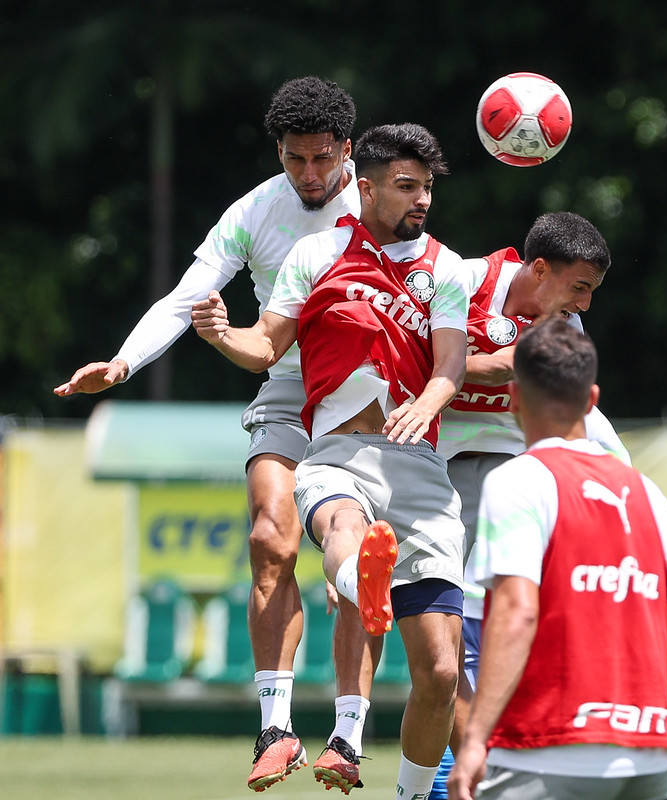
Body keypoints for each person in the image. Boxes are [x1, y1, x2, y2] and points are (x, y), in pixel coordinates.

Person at [53, 76, 376, 792]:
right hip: (290, 386)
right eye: (294, 160)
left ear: (348, 150)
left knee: (361, 567)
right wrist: (124, 362)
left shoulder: (384, 203)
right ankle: (275, 729)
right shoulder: (255, 211)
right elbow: (185, 296)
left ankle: (349, 737)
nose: (309, 175)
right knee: (269, 535)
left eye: (322, 159)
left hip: (374, 396)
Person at [191, 122, 473, 798]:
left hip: (420, 469)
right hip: (338, 454)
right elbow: (264, 347)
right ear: (367, 188)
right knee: (344, 526)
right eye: (407, 186)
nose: (421, 199)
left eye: (427, 186)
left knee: (437, 672)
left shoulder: (446, 267)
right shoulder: (317, 254)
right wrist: (219, 333)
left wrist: (428, 403)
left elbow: (451, 366)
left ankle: (409, 793)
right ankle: (360, 583)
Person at [430, 212, 667, 797]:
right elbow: (413, 364)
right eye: (580, 286)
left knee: (624, 482)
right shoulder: (459, 279)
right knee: (439, 613)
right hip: (441, 441)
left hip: (511, 436)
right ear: (539, 268)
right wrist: (490, 365)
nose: (585, 304)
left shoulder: (566, 321)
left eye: (592, 292)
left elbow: (557, 389)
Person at [446, 317, 667, 800]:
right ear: (592, 400)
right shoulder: (649, 494)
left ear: (514, 398)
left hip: (547, 750)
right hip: (648, 759)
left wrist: (475, 739)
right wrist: (644, 715)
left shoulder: (518, 481)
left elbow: (517, 612)